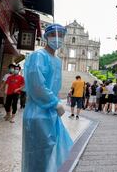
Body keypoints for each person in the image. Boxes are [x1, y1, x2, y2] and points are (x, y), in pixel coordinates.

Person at [22, 23, 73, 172]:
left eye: (61, 35)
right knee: (36, 153)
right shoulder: (38, 56)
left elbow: (53, 85)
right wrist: (54, 102)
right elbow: (36, 84)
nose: (57, 38)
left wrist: (54, 104)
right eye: (53, 35)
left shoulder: (57, 60)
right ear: (46, 37)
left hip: (50, 113)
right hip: (37, 112)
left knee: (49, 151)